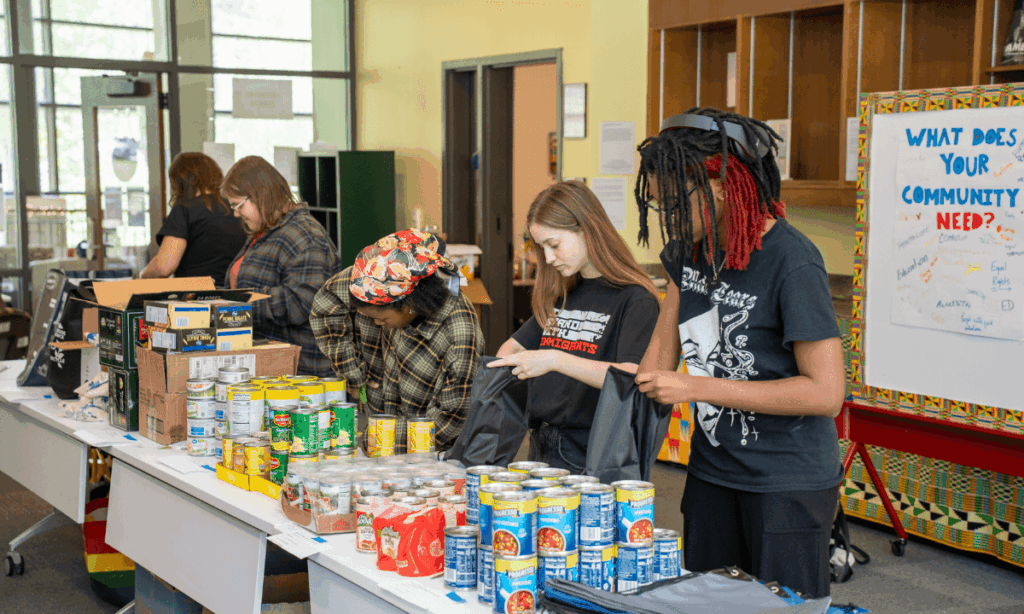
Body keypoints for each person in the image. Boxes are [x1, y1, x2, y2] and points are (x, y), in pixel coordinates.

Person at [633, 108, 845, 599]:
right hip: (712, 472)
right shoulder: (691, 251)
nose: (669, 217)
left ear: (725, 186)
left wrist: (695, 387)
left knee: (779, 610)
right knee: (708, 605)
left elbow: (826, 393)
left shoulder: (793, 261)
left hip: (786, 482)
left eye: (675, 203)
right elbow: (658, 357)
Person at [488, 181, 660, 472]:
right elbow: (514, 346)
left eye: (554, 245)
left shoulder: (636, 300)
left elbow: (632, 377)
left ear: (587, 229)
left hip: (591, 453)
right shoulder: (565, 292)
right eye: (541, 248)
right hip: (541, 445)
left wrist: (555, 360)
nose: (549, 258)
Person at [309, 229, 484, 454]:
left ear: (408, 303)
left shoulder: (458, 332)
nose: (377, 325)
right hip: (381, 437)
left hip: (430, 455)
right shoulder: (374, 277)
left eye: (380, 319)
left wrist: (378, 436)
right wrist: (352, 371)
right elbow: (327, 302)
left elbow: (451, 419)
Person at [222, 155, 342, 376]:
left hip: (301, 373)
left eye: (238, 205)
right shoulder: (266, 231)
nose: (236, 214)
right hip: (267, 368)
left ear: (260, 195)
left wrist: (235, 306)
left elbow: (300, 302)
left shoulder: (306, 236)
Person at [141, 152, 246, 281]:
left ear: (179, 181)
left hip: (195, 296)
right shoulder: (237, 208)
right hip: (234, 293)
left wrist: (143, 274)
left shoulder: (185, 210)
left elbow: (164, 267)